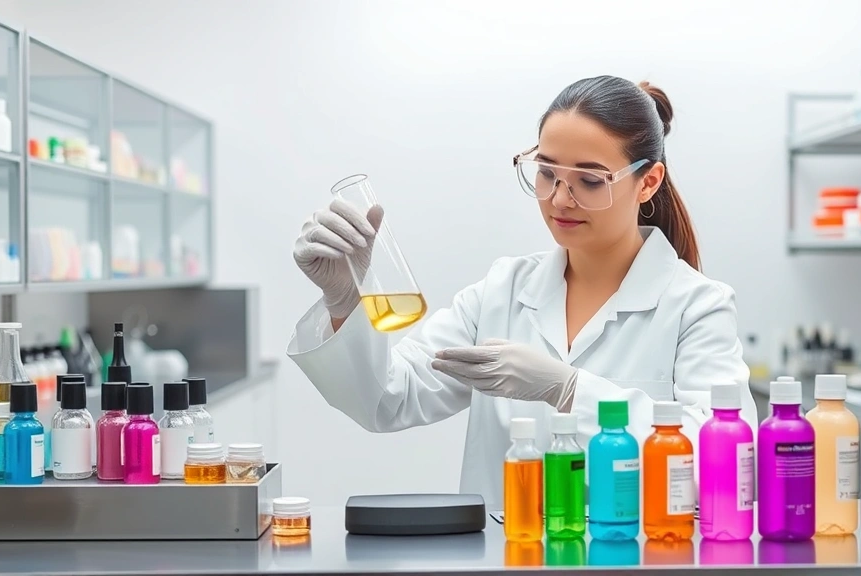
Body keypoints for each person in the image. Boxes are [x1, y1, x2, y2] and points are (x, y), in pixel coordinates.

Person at [289, 75, 757, 508]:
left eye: (589, 181)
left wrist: (571, 390)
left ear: (647, 182)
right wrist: (344, 302)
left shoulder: (697, 306)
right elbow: (387, 401)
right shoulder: (503, 291)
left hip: (633, 557)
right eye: (548, 172)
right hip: (506, 557)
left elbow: (724, 465)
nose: (559, 199)